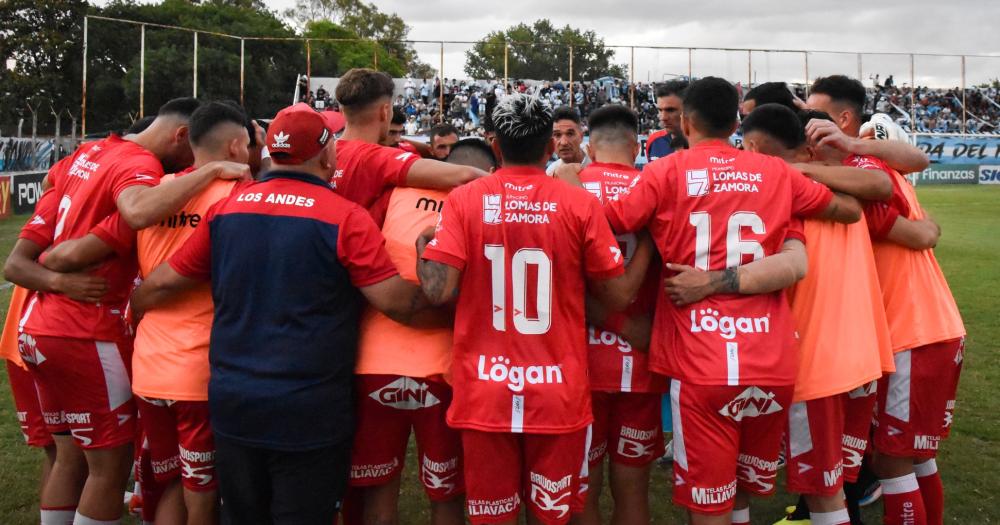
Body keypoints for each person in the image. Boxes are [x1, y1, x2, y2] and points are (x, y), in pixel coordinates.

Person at [130, 104, 433, 524]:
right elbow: (399, 303)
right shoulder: (345, 217)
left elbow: (163, 282)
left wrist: (135, 306)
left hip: (234, 401)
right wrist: (431, 268)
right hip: (309, 408)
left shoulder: (228, 210)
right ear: (328, 155)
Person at [600, 77, 861, 525]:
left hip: (701, 361)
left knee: (710, 504)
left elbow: (613, 218)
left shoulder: (666, 172)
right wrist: (796, 175)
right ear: (737, 121)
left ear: (685, 122)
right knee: (739, 491)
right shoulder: (777, 173)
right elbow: (848, 208)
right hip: (771, 360)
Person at [5, 97, 248, 525]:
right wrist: (210, 170)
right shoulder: (145, 172)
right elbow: (133, 213)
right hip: (88, 328)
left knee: (69, 458)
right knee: (110, 469)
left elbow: (38, 254)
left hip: (37, 325)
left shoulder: (85, 154)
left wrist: (58, 273)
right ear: (180, 137)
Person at [416, 93, 651, 525]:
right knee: (555, 517)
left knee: (494, 517)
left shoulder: (466, 200)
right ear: (549, 147)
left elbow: (438, 291)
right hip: (557, 388)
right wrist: (649, 247)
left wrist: (422, 247)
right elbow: (617, 296)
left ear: (497, 147)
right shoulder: (579, 204)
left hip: (485, 387)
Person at [808, 76, 965, 525]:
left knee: (894, 463)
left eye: (814, 118)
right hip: (931, 326)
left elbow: (917, 234)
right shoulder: (878, 167)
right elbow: (919, 196)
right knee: (917, 458)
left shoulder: (861, 183)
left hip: (912, 332)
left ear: (837, 124)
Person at [739, 104, 898, 525]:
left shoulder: (785, 194)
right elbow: (880, 184)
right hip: (863, 358)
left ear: (753, 146)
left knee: (825, 494)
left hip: (818, 366)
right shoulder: (846, 189)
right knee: (838, 486)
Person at [348, 139, 498, 525]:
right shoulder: (484, 207)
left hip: (376, 362)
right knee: (445, 496)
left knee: (379, 494)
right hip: (444, 369)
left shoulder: (395, 194)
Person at [572, 105, 667, 525]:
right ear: (636, 144)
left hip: (579, 364)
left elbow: (561, 285)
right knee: (633, 489)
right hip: (641, 361)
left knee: (582, 488)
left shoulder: (571, 188)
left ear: (590, 146)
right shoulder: (656, 191)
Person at [330, 69, 485, 220]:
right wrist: (503, 183)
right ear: (385, 111)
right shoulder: (379, 158)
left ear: (342, 110)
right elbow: (466, 176)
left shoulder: (325, 152)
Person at [646, 80, 689, 163]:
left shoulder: (706, 145)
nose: (663, 117)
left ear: (688, 109)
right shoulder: (654, 141)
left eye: (670, 110)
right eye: (660, 110)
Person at [545, 107, 589, 175]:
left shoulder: (599, 162)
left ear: (581, 137)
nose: (563, 142)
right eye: (557, 135)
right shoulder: (551, 173)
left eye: (570, 134)